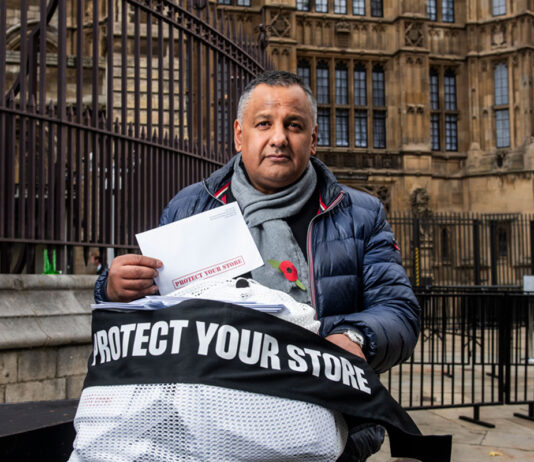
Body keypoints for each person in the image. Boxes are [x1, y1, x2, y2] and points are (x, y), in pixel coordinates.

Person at [94, 70, 420, 461]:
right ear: (239, 135)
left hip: (326, 433)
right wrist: (113, 289)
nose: (279, 137)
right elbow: (153, 314)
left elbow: (399, 311)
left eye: (294, 125)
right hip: (203, 435)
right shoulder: (190, 207)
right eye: (264, 123)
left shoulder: (360, 215)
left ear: (313, 139)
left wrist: (355, 337)